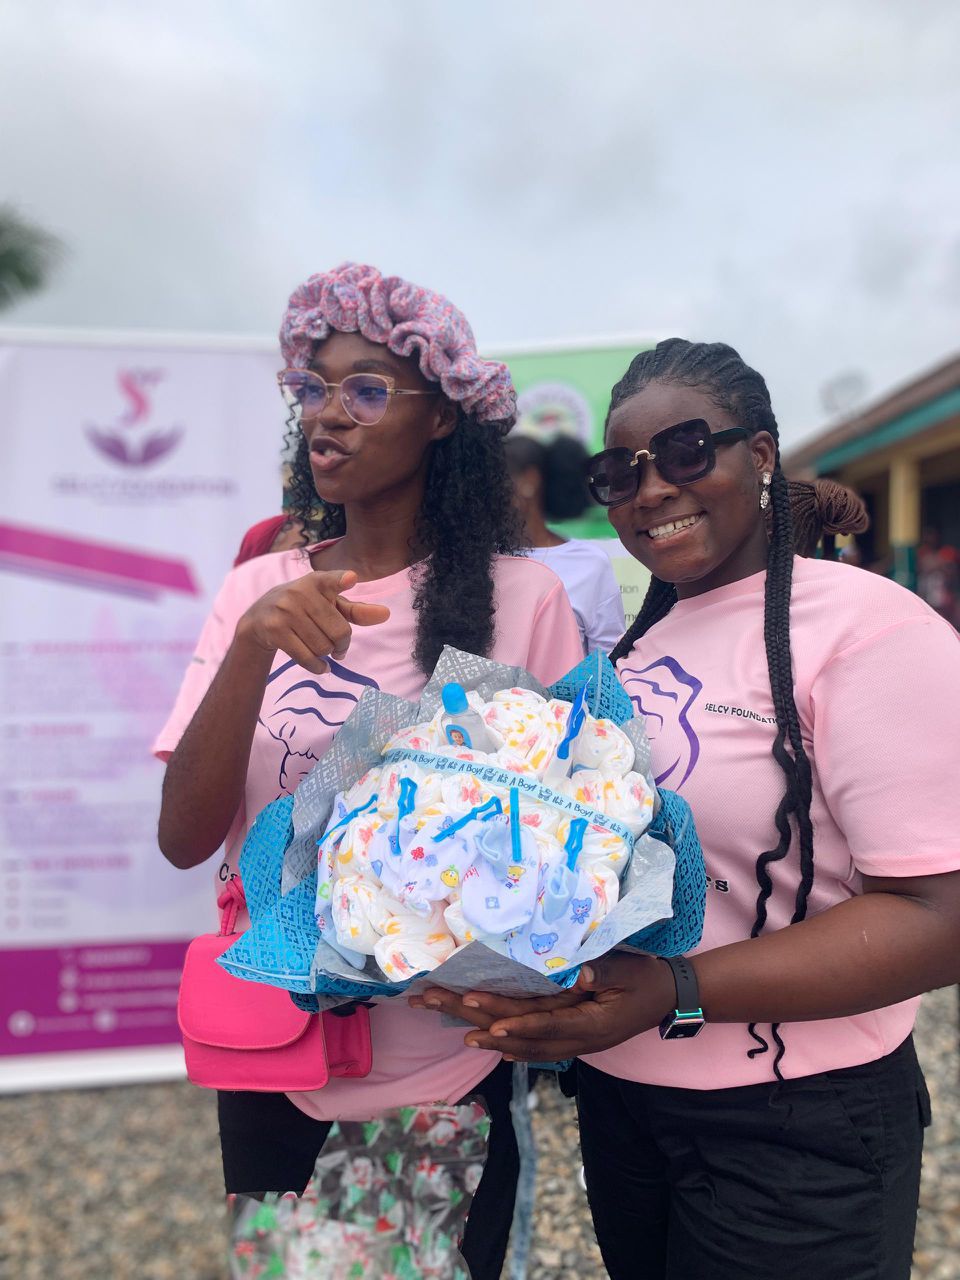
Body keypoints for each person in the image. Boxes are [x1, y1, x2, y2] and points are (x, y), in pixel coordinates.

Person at [416, 339, 960, 1280]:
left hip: (795, 1124)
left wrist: (674, 991)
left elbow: (939, 918)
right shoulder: (631, 646)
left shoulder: (871, 629)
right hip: (623, 1103)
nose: (652, 488)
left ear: (761, 454)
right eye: (619, 473)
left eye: (684, 450)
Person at [154, 263, 584, 1280]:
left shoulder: (523, 599)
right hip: (275, 1054)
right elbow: (183, 838)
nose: (326, 413)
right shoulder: (257, 591)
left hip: (439, 1065)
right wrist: (253, 644)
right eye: (312, 389)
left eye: (366, 389)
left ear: (443, 416)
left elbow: (570, 843)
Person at [505, 431, 625, 654]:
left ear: (529, 481)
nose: (482, 492)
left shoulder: (589, 564)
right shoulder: (477, 559)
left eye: (495, 480)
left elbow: (607, 657)